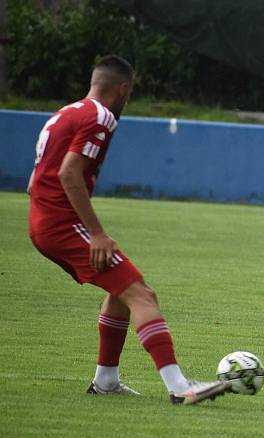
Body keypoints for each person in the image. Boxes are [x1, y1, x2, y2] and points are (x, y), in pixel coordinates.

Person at [27, 54, 230, 405]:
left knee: (122, 292)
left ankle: (105, 381)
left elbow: (35, 182)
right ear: (123, 89)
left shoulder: (66, 112)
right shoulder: (101, 116)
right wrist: (96, 234)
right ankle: (179, 386)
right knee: (143, 295)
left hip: (43, 222)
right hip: (62, 224)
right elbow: (68, 174)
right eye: (130, 92)